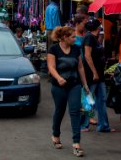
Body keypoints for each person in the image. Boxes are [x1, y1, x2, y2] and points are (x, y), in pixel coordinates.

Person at [47, 26, 89, 157]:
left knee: (75, 111)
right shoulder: (53, 49)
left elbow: (80, 67)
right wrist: (59, 78)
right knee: (60, 110)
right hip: (58, 86)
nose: (75, 39)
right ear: (64, 38)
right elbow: (51, 67)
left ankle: (76, 143)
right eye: (72, 37)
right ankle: (55, 134)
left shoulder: (76, 49)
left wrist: (85, 84)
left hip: (74, 85)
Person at [80, 19, 115, 133]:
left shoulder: (94, 38)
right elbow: (87, 55)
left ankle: (103, 125)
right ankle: (84, 125)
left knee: (101, 99)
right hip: (92, 75)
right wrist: (94, 72)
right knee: (89, 100)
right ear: (97, 27)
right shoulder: (89, 38)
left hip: (99, 75)